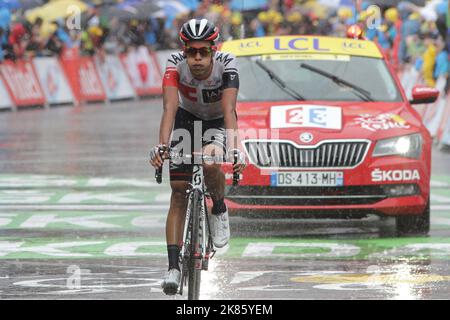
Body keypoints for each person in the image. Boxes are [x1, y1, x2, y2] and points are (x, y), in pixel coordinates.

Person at [149, 18, 246, 295]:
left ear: (214, 50)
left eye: (204, 51)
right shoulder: (174, 63)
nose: (198, 58)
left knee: (210, 160)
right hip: (186, 119)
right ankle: (173, 268)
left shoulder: (227, 63)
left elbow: (229, 110)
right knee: (178, 192)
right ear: (185, 51)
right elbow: (169, 107)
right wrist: (162, 146)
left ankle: (218, 207)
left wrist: (235, 147)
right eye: (192, 52)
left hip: (216, 121)